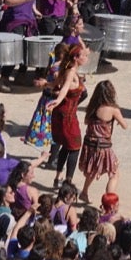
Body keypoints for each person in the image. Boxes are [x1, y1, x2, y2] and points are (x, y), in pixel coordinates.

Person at [79, 80, 129, 205]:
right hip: (103, 146)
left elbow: (86, 122)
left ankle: (84, 192)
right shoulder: (113, 109)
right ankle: (108, 203)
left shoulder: (92, 107)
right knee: (114, 174)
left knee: (92, 170)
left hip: (89, 144)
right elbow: (125, 125)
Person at [46, 43, 88, 188]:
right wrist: (57, 100)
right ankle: (68, 181)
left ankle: (57, 178)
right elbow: (63, 89)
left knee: (66, 146)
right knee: (75, 147)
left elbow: (54, 84)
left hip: (61, 114)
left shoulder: (67, 69)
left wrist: (45, 84)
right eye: (84, 56)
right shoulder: (70, 72)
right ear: (76, 58)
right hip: (67, 116)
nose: (86, 58)